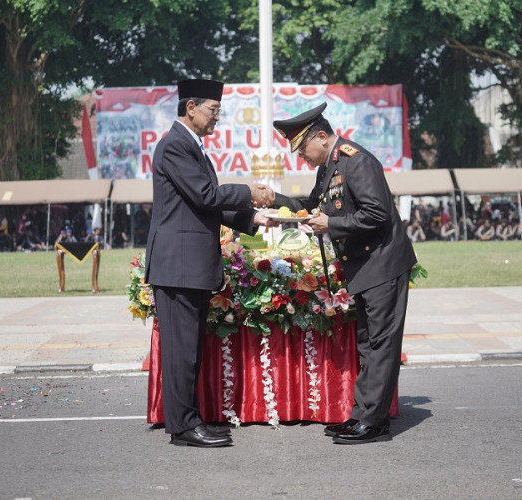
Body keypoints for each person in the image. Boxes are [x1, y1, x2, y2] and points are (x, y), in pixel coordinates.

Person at [262, 103, 416, 444]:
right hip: (364, 267)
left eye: (302, 148)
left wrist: (331, 224)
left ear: (321, 136)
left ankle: (373, 423)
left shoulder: (356, 161)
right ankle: (362, 416)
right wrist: (275, 200)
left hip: (382, 264)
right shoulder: (329, 167)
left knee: (380, 344)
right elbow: (310, 207)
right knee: (368, 343)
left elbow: (378, 213)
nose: (302, 157)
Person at [144, 78, 275, 448]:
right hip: (179, 267)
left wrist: (252, 218)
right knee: (181, 352)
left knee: (189, 350)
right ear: (191, 108)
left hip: (189, 267)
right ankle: (183, 427)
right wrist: (249, 192)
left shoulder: (191, 148)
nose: (217, 117)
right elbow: (205, 195)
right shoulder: (175, 146)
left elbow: (206, 205)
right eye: (213, 110)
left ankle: (189, 420)